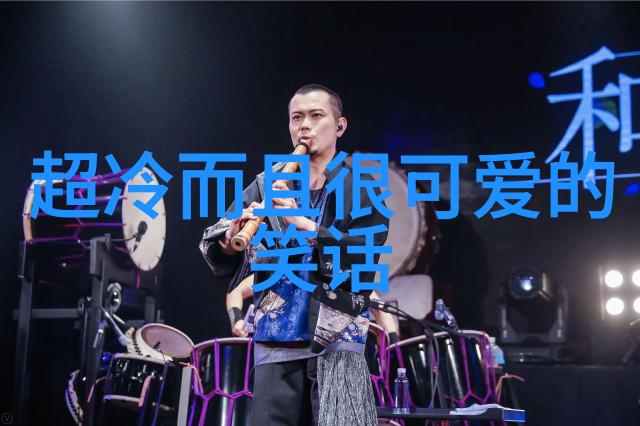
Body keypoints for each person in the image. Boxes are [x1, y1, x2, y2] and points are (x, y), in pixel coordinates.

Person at [200, 84, 389, 426]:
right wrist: (230, 238)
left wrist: (306, 225)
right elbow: (216, 241)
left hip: (338, 342)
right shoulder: (267, 183)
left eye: (316, 116)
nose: (305, 126)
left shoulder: (361, 185)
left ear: (340, 126)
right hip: (276, 339)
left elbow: (365, 257)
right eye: (297, 118)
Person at [226, 275, 400, 341]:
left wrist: (393, 343)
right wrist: (237, 319)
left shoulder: (340, 274)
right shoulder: (284, 272)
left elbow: (378, 307)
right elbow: (236, 291)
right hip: (283, 348)